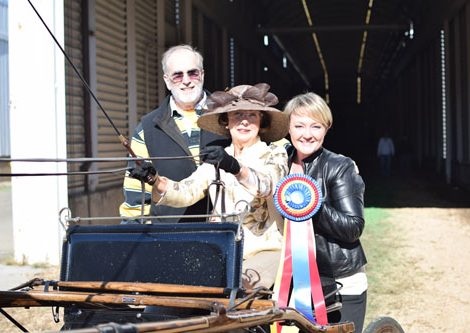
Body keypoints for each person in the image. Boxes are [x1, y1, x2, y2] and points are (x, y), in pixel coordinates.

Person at [129, 83, 289, 289]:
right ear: (226, 122)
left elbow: (267, 185)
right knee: (180, 286)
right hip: (224, 250)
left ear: (262, 122)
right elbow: (187, 192)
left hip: (266, 251)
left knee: (237, 288)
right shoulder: (218, 156)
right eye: (237, 114)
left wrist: (234, 166)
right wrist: (154, 179)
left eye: (252, 115)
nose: (244, 122)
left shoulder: (275, 153)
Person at [283, 92, 367, 332]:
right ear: (287, 127)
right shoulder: (278, 162)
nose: (307, 134)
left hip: (340, 281)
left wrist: (313, 206)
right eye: (299, 125)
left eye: (315, 126)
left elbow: (353, 228)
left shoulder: (340, 166)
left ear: (326, 128)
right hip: (291, 285)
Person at [119, 44, 230, 223]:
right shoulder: (147, 129)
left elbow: (265, 149)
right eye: (177, 75)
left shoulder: (231, 116)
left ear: (202, 75)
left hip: (223, 232)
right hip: (170, 236)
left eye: (192, 73)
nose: (186, 81)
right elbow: (135, 193)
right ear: (167, 81)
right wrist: (131, 233)